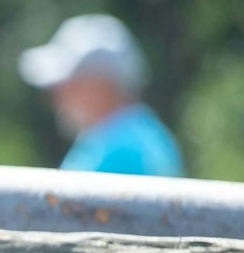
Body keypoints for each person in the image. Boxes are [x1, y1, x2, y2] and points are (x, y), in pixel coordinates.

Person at [19, 14, 183, 177]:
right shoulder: (129, 134)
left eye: (70, 83)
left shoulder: (122, 150)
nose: (57, 97)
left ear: (100, 84)